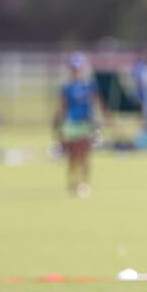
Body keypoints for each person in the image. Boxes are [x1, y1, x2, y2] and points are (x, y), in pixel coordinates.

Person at [54, 52, 105, 197]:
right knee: (72, 156)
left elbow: (96, 103)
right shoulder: (67, 87)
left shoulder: (89, 85)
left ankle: (84, 183)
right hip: (71, 123)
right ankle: (72, 182)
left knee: (85, 155)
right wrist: (59, 126)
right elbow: (62, 107)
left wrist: (99, 121)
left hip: (85, 123)